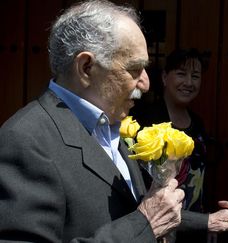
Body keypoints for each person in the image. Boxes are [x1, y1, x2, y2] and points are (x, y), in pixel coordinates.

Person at [0, 1, 184, 242]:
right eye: (134, 69)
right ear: (86, 67)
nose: (146, 83)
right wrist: (144, 226)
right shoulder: (25, 139)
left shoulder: (110, 123)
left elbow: (130, 206)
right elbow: (142, 218)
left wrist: (210, 221)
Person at [130, 48, 228, 242]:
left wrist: (207, 221)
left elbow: (201, 178)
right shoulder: (147, 122)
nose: (189, 82)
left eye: (195, 76)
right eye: (181, 74)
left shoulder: (197, 123)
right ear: (165, 77)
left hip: (196, 225)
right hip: (161, 225)